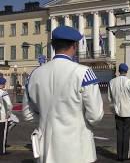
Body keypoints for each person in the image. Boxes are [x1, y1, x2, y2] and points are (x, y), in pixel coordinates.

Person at [23, 26, 104, 163]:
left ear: (53, 46)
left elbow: (27, 113)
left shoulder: (35, 74)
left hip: (46, 150)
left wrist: (45, 122)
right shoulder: (84, 73)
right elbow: (95, 115)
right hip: (78, 149)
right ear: (74, 46)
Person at [107, 63, 130, 161]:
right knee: (127, 134)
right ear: (126, 71)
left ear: (119, 71)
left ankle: (119, 155)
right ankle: (125, 155)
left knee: (119, 133)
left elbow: (109, 98)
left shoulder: (111, 82)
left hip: (117, 110)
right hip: (128, 111)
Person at [0, 77, 12, 155]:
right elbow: (9, 105)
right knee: (2, 135)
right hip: (2, 117)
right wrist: (8, 114)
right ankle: (2, 150)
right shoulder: (3, 92)